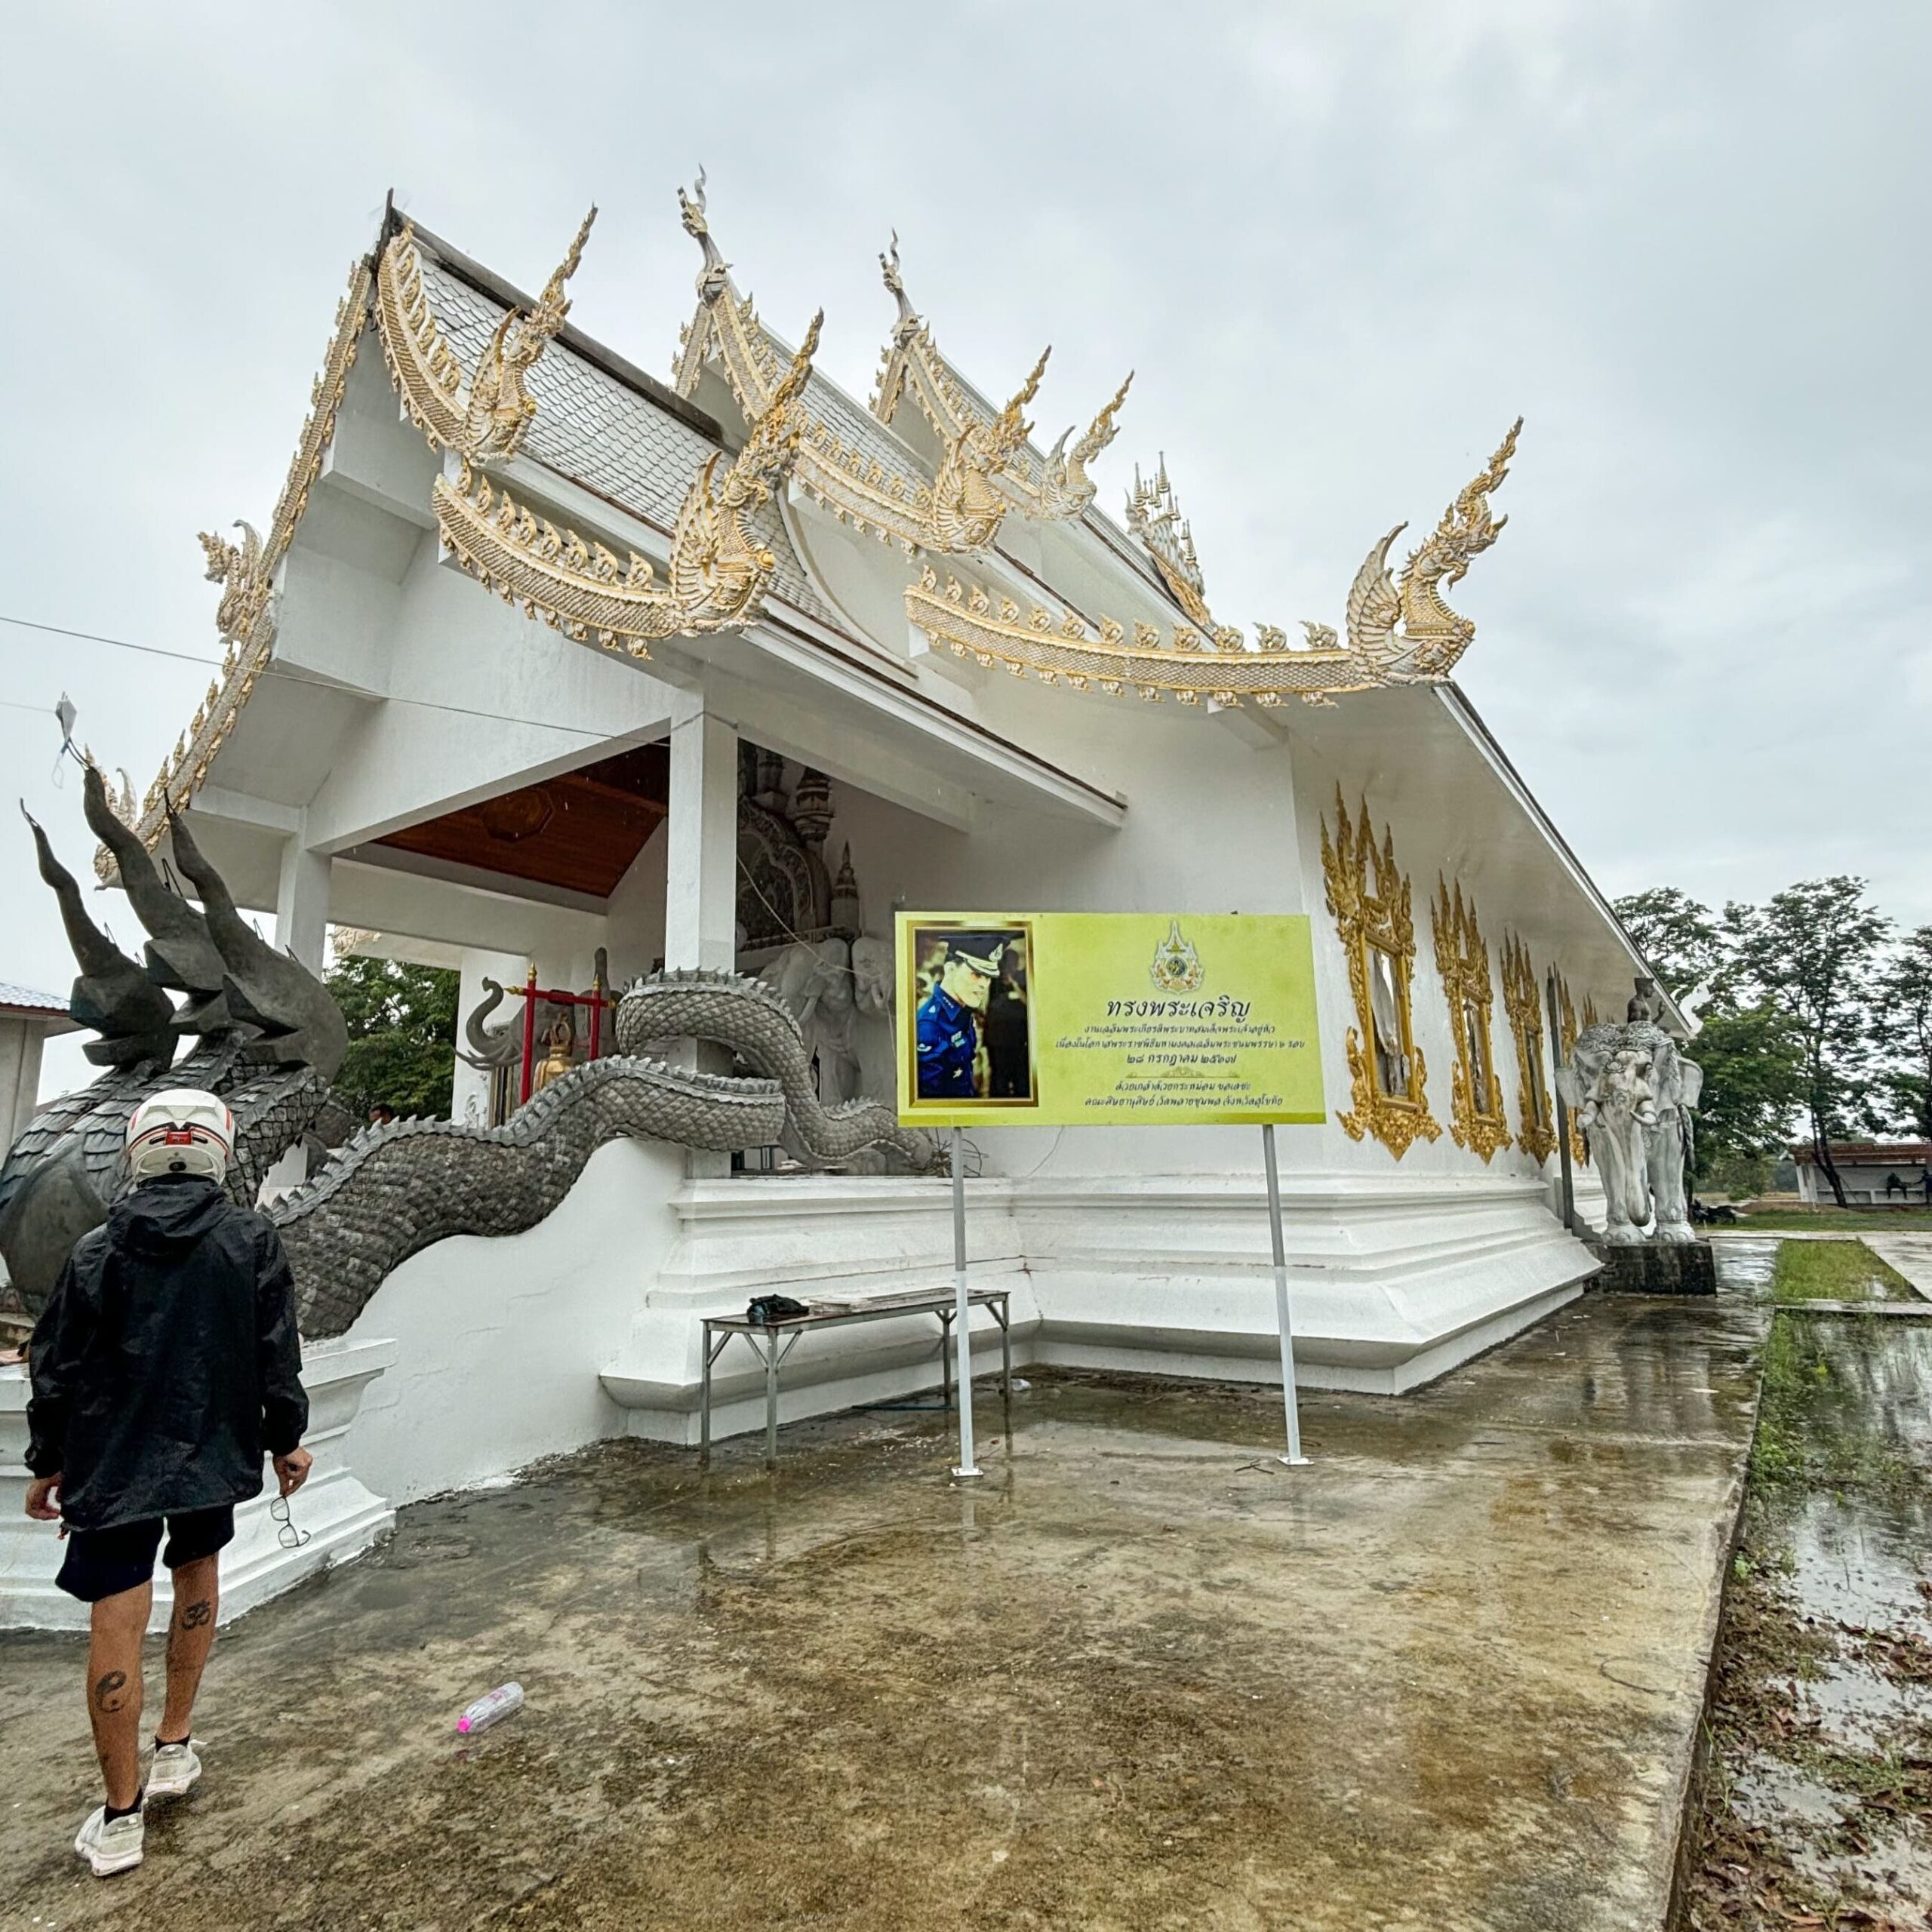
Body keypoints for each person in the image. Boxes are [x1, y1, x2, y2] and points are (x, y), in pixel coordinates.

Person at [24, 1088, 311, 1878]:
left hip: (111, 1464)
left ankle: (121, 1817)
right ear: (218, 1148)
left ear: (136, 1150)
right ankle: (175, 1742)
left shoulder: (93, 1251)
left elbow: (55, 1370)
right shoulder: (250, 1239)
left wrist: (48, 1460)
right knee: (197, 1577)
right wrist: (286, 1440)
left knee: (116, 1622)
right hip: (212, 1451)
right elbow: (275, 1350)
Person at [915, 934, 1004, 1100]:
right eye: (976, 974)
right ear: (950, 969)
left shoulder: (963, 1013)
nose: (984, 984)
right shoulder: (930, 1025)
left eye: (988, 977)